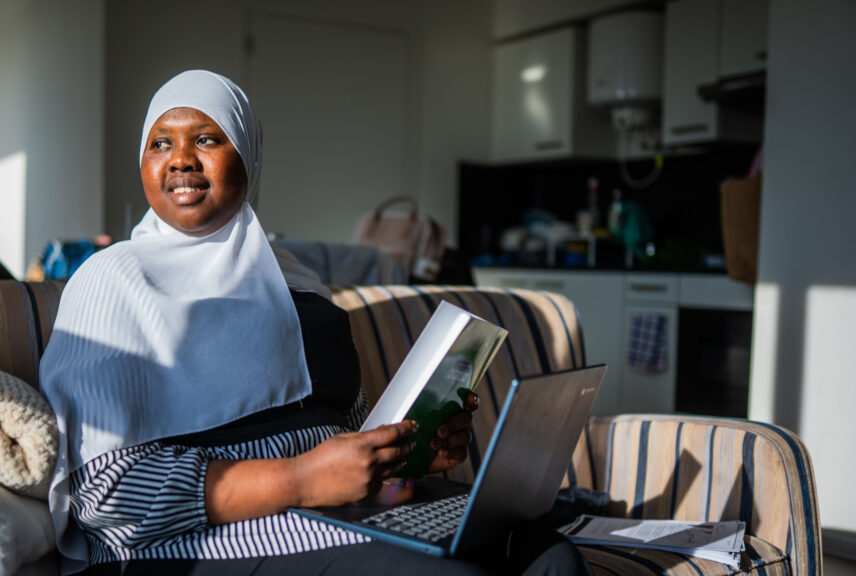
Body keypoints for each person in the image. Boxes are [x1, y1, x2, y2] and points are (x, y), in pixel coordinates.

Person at [39, 70, 591, 576]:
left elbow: (344, 437)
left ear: (248, 156)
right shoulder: (112, 279)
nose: (181, 158)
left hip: (343, 513)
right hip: (203, 544)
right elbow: (105, 497)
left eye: (206, 139)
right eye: (161, 143)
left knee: (549, 558)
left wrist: (410, 455)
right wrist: (299, 480)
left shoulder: (295, 280)